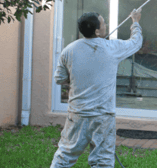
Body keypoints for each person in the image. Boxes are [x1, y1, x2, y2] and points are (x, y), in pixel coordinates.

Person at [50, 9, 143, 168]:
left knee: (64, 156)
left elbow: (59, 78)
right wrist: (135, 22)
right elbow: (136, 42)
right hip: (103, 117)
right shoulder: (111, 47)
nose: (105, 24)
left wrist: (78, 81)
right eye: (103, 23)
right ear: (97, 31)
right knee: (103, 161)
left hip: (77, 114)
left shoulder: (69, 50)